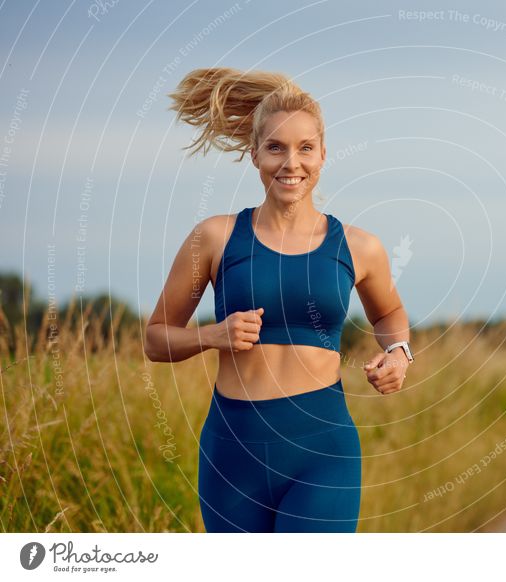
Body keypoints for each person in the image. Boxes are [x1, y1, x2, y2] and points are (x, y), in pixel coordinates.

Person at [143, 67, 415, 533]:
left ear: (323, 155)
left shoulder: (358, 246)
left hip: (322, 451)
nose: (292, 163)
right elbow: (154, 339)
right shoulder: (215, 237)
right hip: (233, 452)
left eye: (305, 148)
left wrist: (399, 352)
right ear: (254, 155)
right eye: (276, 147)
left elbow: (389, 313)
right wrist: (213, 335)